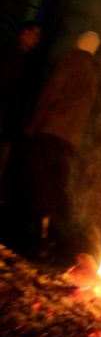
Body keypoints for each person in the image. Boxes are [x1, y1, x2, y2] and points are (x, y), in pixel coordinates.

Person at [24, 31, 101, 261]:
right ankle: (51, 238)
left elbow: (50, 93)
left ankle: (39, 238)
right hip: (70, 140)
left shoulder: (70, 62)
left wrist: (33, 125)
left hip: (51, 131)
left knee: (40, 183)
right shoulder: (92, 74)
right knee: (56, 186)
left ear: (79, 43)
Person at [0, 21, 42, 202]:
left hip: (10, 118)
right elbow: (5, 88)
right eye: (35, 35)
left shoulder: (24, 58)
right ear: (24, 33)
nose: (37, 40)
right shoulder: (11, 55)